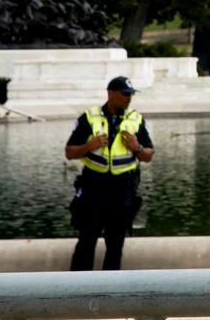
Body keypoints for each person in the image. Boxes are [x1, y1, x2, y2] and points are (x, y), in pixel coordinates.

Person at [64, 75, 154, 271]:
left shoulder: (136, 120)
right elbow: (70, 152)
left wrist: (136, 147)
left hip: (123, 192)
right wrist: (90, 145)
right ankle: (76, 289)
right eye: (124, 94)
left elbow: (148, 155)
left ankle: (110, 294)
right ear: (111, 93)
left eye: (130, 95)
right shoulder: (89, 118)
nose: (128, 98)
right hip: (93, 190)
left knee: (115, 246)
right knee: (86, 242)